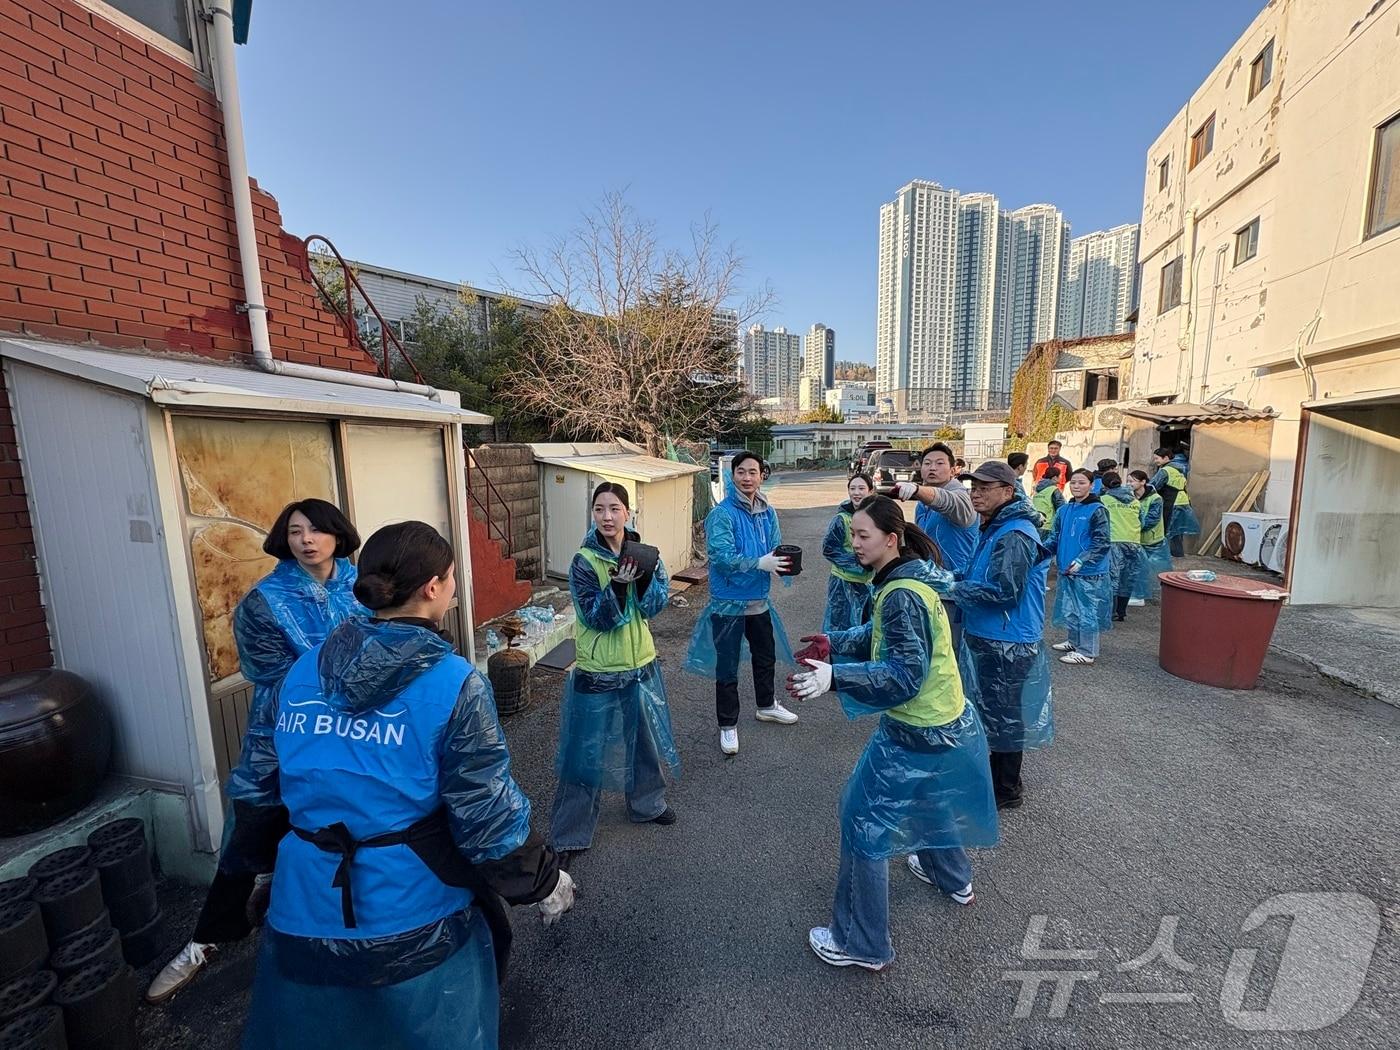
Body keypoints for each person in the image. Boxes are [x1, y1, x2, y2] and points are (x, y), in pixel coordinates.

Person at [235, 521, 574, 1049]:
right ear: (433, 588)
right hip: (416, 908)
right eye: (453, 577)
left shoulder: (299, 673)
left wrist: (260, 870)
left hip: (302, 900)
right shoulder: (454, 682)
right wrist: (542, 881)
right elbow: (485, 813)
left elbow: (258, 785)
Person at [147, 499, 366, 1004]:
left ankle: (337, 940)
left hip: (353, 737)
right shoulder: (264, 601)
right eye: (294, 531)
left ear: (338, 535)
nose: (306, 539)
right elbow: (275, 676)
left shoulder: (362, 588)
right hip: (282, 736)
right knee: (249, 835)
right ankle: (207, 938)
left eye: (316, 530)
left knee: (343, 839)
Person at [788, 496, 997, 971]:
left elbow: (903, 674)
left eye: (863, 536)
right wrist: (835, 643)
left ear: (891, 538)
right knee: (931, 800)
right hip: (946, 720)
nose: (854, 544)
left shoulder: (900, 592)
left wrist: (835, 677)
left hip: (915, 728)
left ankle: (862, 943)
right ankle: (953, 878)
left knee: (864, 822)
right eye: (852, 534)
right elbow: (885, 635)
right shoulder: (909, 580)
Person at [549, 483, 681, 859]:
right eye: (599, 509)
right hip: (598, 671)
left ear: (628, 512)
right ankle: (570, 833)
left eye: (614, 509)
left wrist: (644, 578)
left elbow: (655, 606)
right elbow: (597, 617)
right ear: (593, 514)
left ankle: (648, 804)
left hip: (639, 663)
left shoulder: (641, 553)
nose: (607, 517)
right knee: (585, 752)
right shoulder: (584, 562)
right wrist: (619, 589)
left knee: (643, 741)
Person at [944, 461, 1053, 810]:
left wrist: (953, 588)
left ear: (1008, 492)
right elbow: (979, 571)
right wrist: (947, 577)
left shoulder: (1014, 533)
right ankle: (997, 780)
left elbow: (1004, 591)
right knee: (993, 711)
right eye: (973, 486)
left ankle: (1005, 790)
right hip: (991, 633)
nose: (975, 492)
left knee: (1005, 715)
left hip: (1006, 639)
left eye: (985, 487)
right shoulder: (994, 527)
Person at [685, 451, 797, 756]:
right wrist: (758, 563)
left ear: (762, 476)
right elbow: (721, 557)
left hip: (759, 601)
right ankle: (728, 725)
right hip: (728, 604)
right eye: (741, 472)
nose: (747, 478)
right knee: (727, 667)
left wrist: (781, 562)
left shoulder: (767, 512)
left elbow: (774, 545)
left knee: (766, 656)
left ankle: (766, 705)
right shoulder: (721, 514)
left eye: (753, 472)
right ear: (732, 476)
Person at [895, 443, 978, 648]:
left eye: (939, 463)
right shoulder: (923, 502)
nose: (932, 468)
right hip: (930, 588)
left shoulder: (960, 496)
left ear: (952, 470)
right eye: (927, 463)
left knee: (949, 650)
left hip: (953, 592)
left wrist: (917, 489)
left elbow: (948, 502)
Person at [1046, 469, 1113, 666]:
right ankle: (1074, 641)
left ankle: (1087, 650)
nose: (1076, 486)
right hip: (1067, 567)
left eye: (1082, 483)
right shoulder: (1064, 510)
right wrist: (1041, 553)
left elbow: (1102, 541)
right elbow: (1054, 537)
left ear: (1091, 485)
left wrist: (1083, 560)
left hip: (1088, 571)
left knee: (1087, 610)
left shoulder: (1097, 510)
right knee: (1071, 608)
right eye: (1073, 482)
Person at [821, 473, 875, 638]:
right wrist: (859, 563)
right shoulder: (841, 519)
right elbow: (829, 549)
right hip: (843, 584)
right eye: (852, 488)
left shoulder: (876, 517)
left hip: (869, 584)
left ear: (871, 491)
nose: (856, 493)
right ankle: (838, 662)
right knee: (841, 628)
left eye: (861, 488)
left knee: (868, 629)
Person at [1100, 471, 1143, 623]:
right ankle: (1121, 612)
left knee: (1112, 577)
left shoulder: (1103, 500)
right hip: (1134, 542)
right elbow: (1142, 521)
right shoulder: (1135, 501)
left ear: (1104, 485)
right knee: (1128, 577)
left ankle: (1110, 612)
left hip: (1113, 541)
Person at [1128, 470, 1172, 604]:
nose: (1129, 484)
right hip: (1136, 539)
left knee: (1153, 569)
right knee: (1138, 568)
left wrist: (1134, 528)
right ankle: (1138, 594)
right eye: (1128, 481)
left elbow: (1152, 519)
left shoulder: (1155, 499)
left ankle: (1151, 593)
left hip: (1153, 540)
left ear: (1143, 482)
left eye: (1133, 481)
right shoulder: (1129, 497)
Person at [1150, 447, 1200, 557]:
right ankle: (1178, 554)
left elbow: (1154, 485)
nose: (1155, 461)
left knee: (1166, 529)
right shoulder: (1181, 468)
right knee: (1177, 531)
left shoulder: (1165, 471)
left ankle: (1164, 555)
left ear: (1166, 458)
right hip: (1184, 501)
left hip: (1172, 502)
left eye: (1157, 458)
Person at [1031, 464, 1066, 537]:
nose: (1061, 478)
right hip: (1048, 527)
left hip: (1035, 526)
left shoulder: (1037, 490)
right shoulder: (1054, 490)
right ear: (1054, 478)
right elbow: (1062, 509)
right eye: (1060, 476)